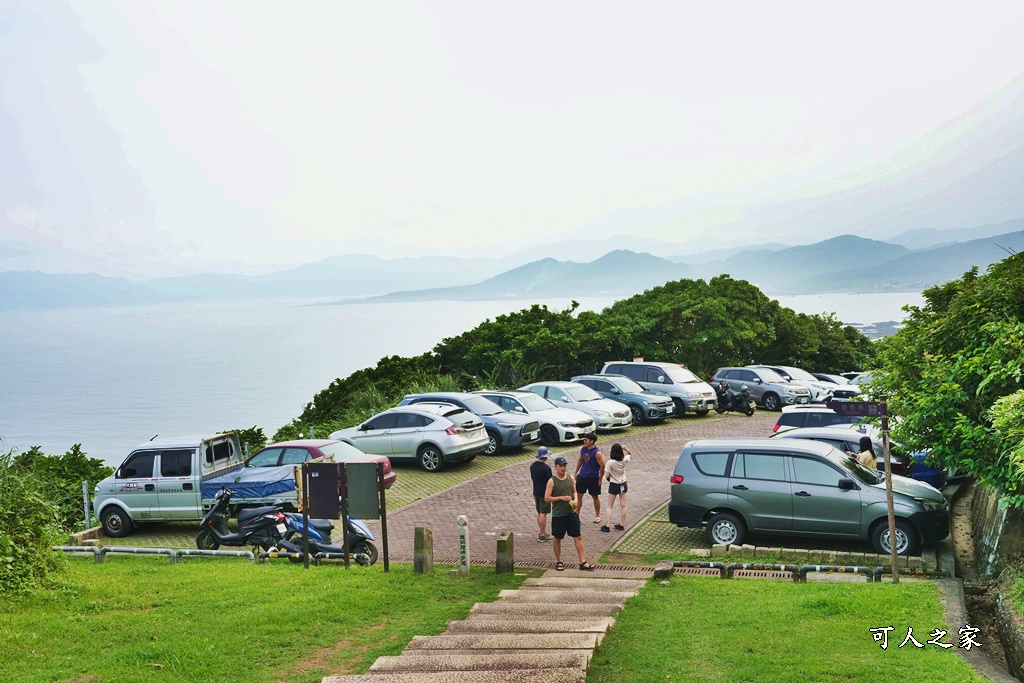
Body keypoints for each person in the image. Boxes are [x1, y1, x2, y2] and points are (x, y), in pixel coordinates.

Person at [544, 455, 596, 571]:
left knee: (578, 537)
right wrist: (561, 498)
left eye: (564, 465)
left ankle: (583, 562)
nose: (563, 468)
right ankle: (559, 561)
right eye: (560, 466)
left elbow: (575, 491)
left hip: (571, 513)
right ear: (556, 467)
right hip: (558, 515)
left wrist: (576, 500)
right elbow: (547, 498)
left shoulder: (571, 478)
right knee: (558, 538)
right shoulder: (551, 481)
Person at [574, 432, 606, 524]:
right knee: (579, 496)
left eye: (586, 440)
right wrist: (576, 472)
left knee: (595, 496)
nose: (584, 441)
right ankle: (577, 514)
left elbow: (602, 465)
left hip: (593, 477)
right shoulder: (583, 449)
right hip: (582, 476)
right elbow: (580, 460)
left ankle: (597, 515)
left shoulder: (597, 453)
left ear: (592, 441)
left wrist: (600, 478)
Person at [601, 443, 633, 532]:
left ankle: (607, 526)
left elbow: (606, 475)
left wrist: (609, 477)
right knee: (623, 505)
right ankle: (621, 524)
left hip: (614, 484)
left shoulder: (610, 462)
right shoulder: (624, 460)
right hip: (623, 483)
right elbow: (630, 454)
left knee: (609, 506)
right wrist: (626, 449)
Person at [530, 446, 554, 542]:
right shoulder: (546, 468)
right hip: (545, 493)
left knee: (540, 512)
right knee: (543, 513)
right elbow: (550, 482)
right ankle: (542, 534)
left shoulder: (533, 466)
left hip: (536, 491)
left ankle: (541, 531)